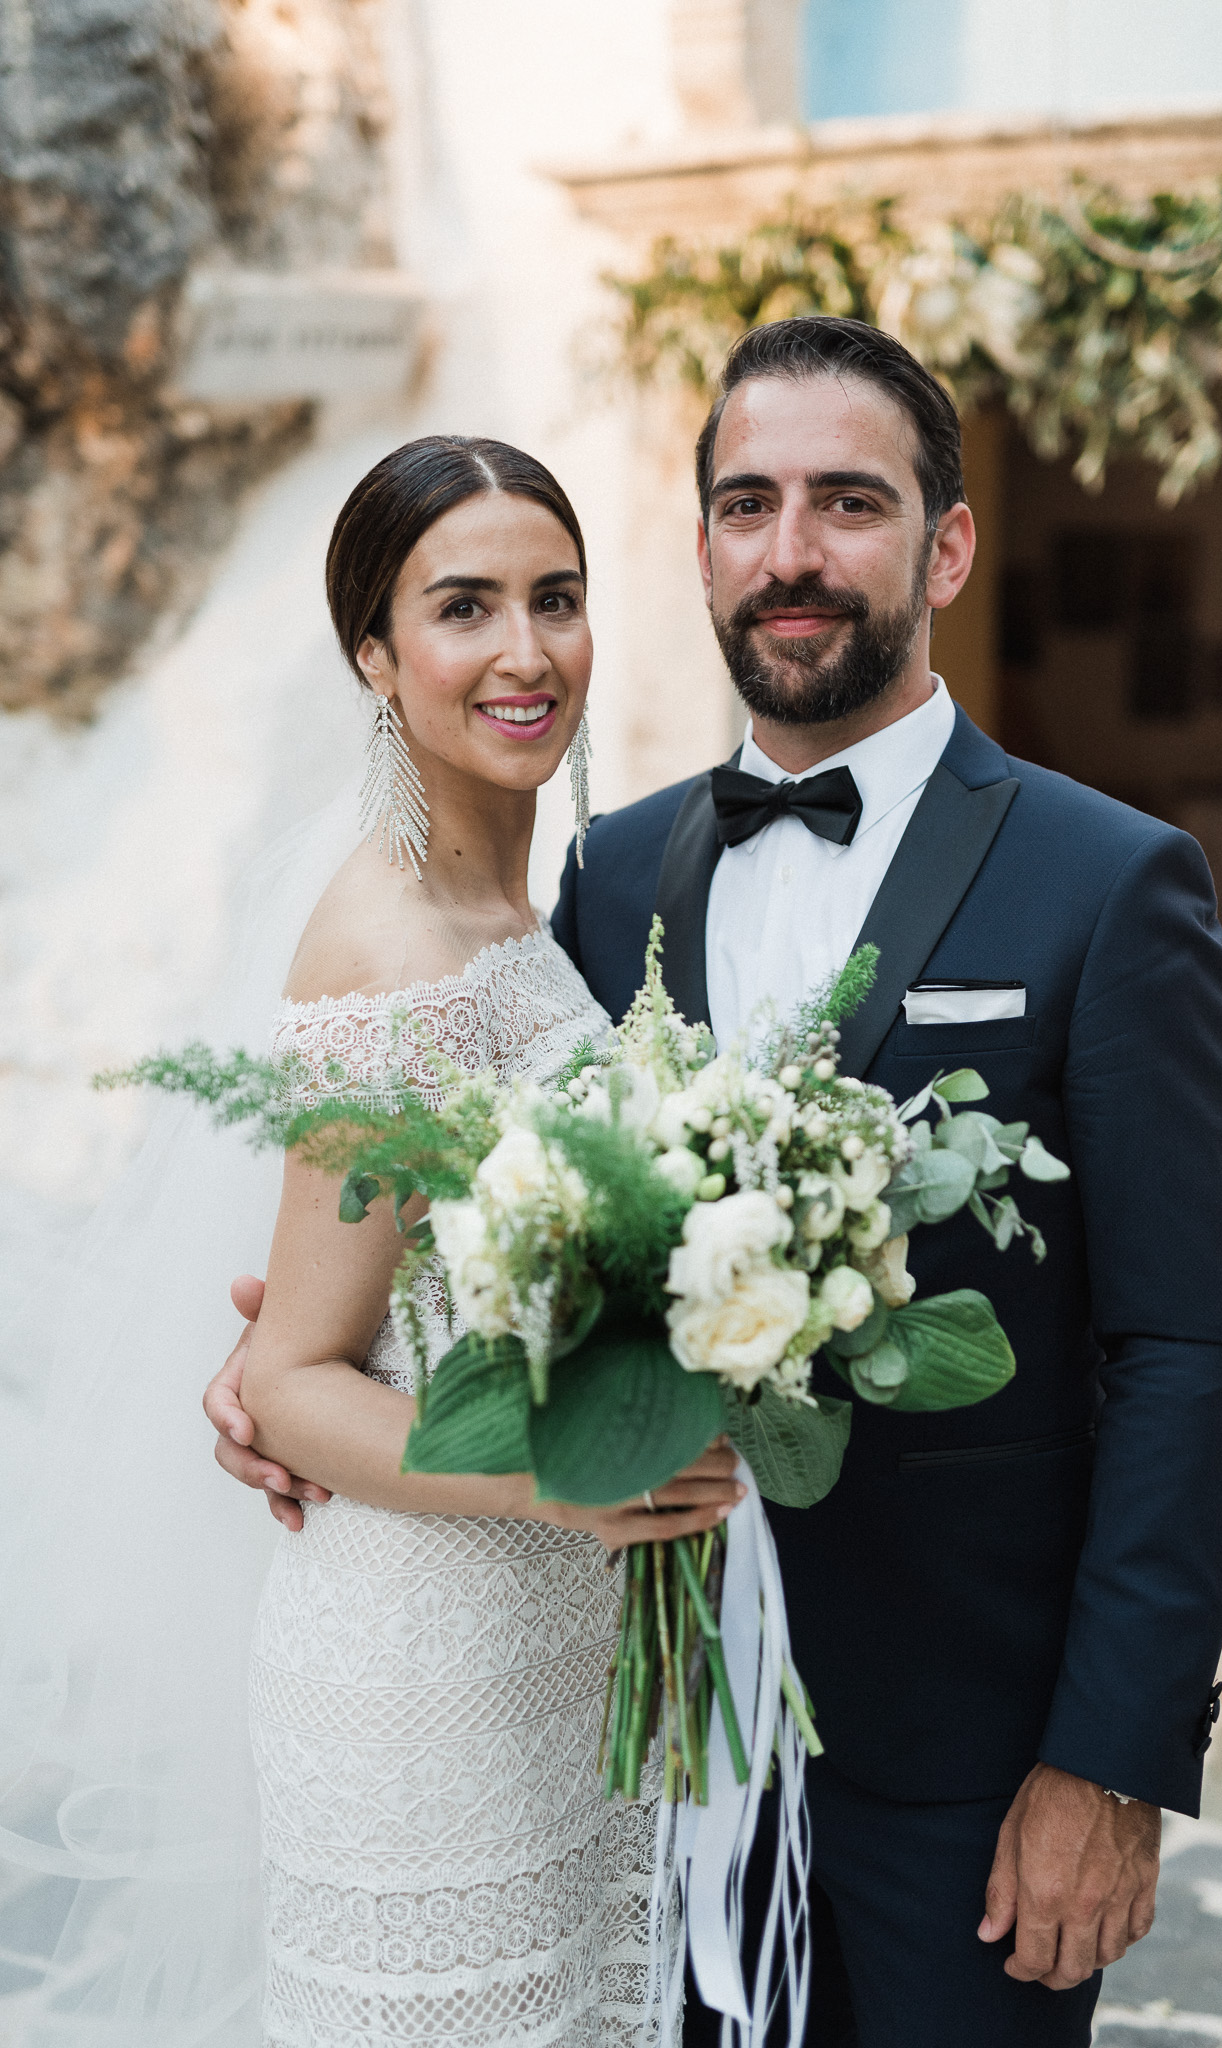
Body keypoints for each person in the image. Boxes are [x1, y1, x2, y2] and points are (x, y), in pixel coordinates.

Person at [211, 319, 1222, 2046]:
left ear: (946, 544)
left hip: (963, 1778)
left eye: (849, 502)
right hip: (644, 1741)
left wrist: (1111, 1759)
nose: (792, 552)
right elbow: (473, 1220)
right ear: (698, 544)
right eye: (749, 503)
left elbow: (1184, 1356)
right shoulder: (608, 880)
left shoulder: (1112, 883)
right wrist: (305, 1377)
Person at [0, 434, 741, 2047]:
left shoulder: (532, 914)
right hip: (422, 1683)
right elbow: (294, 1381)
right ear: (374, 656)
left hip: (561, 1661)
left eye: (557, 598)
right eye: (463, 607)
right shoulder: (389, 945)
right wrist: (575, 1476)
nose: (526, 651)